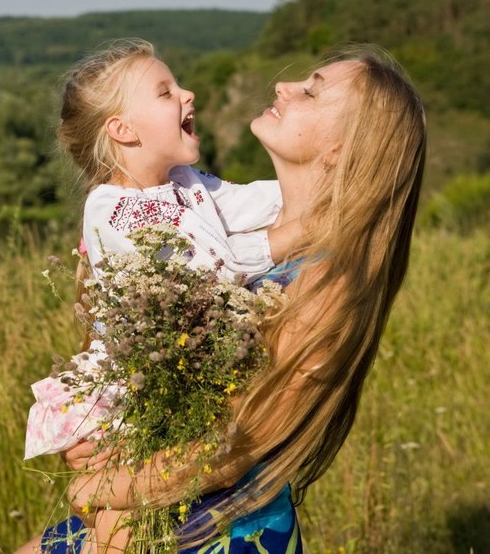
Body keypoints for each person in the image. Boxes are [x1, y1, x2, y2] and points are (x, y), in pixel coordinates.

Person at [36, 45, 426, 553]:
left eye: (311, 91)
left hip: (216, 529)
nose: (283, 87)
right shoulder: (216, 214)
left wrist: (97, 489)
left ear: (340, 147)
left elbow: (237, 446)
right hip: (155, 506)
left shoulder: (327, 276)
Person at [19, 40, 305, 553]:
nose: (187, 94)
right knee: (117, 522)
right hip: (127, 395)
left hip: (170, 382)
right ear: (123, 131)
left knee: (143, 518)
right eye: (165, 91)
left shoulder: (186, 182)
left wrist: (326, 185)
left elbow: (248, 202)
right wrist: (294, 235)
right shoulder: (114, 210)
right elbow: (208, 277)